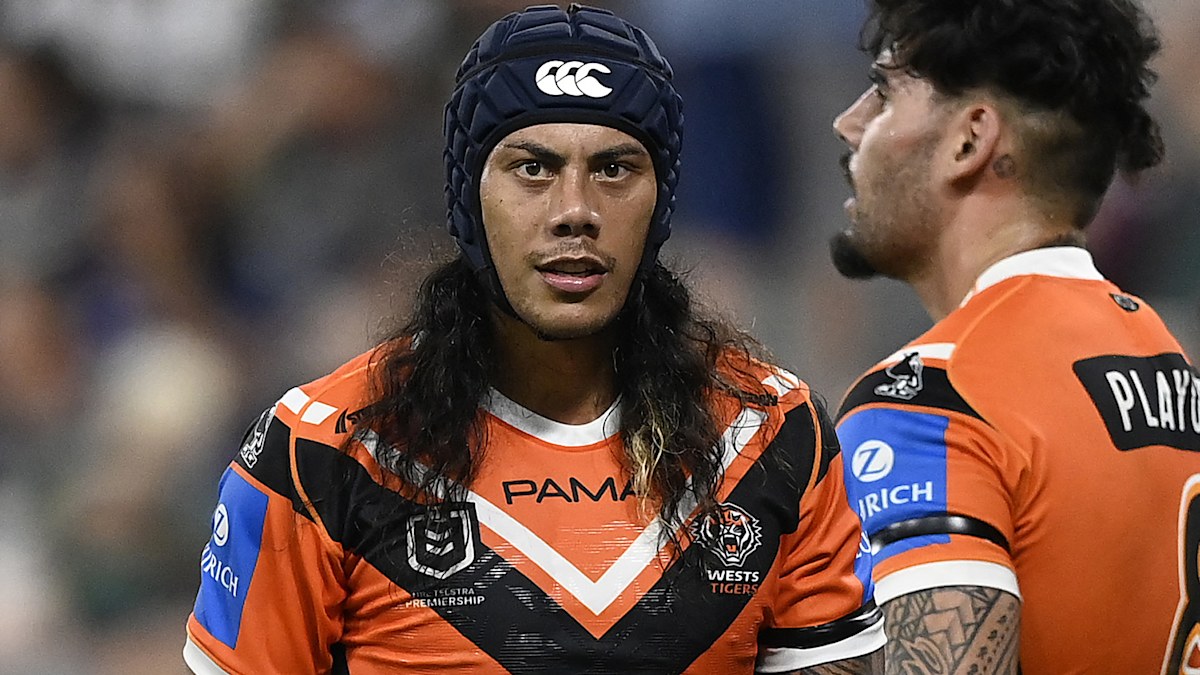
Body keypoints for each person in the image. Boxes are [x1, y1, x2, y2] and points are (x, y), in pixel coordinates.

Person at [184, 4, 885, 673]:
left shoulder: (772, 436)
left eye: (614, 169)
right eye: (533, 168)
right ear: (468, 197)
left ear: (662, 203)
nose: (575, 210)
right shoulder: (317, 451)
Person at [829, 0, 1200, 672]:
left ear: (970, 140)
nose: (849, 123)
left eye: (884, 93)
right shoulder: (1173, 366)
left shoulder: (929, 404)